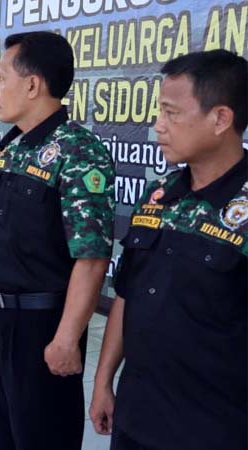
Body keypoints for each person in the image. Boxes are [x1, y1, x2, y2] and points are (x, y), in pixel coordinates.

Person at [89, 50, 248, 450]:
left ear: (221, 119)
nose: (158, 126)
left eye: (171, 113)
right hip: (138, 415)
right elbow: (127, 292)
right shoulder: (158, 197)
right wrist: (104, 379)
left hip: (214, 428)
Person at [0, 31, 115, 450]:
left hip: (42, 326)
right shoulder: (14, 146)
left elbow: (91, 257)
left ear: (33, 84)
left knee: (41, 438)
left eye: (1, 78)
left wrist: (68, 337)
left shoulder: (78, 150)